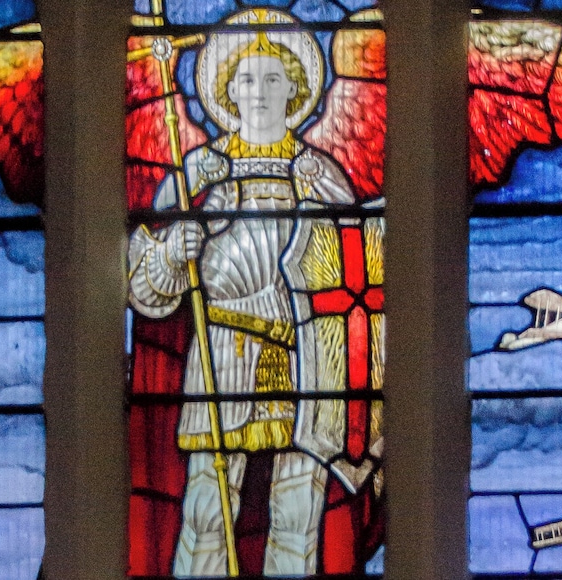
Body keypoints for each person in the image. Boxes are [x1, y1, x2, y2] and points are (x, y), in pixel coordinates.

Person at [127, 22, 358, 577]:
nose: (259, 90)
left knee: (298, 510)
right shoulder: (196, 179)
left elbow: (357, 270)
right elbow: (147, 294)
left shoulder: (320, 177)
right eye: (247, 78)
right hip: (223, 352)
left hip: (309, 358)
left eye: (273, 78)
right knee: (209, 511)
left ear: (295, 91)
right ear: (227, 91)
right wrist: (170, 254)